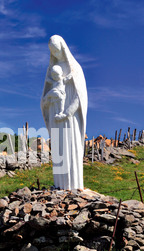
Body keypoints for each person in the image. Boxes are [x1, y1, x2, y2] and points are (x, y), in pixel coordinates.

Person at [41, 35, 88, 190]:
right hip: (55, 115)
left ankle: (74, 186)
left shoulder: (75, 68)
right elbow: (45, 97)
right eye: (52, 51)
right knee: (59, 148)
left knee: (70, 147)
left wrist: (68, 113)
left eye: (57, 50)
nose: (55, 53)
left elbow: (79, 97)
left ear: (63, 48)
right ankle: (59, 185)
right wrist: (47, 100)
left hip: (70, 118)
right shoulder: (51, 72)